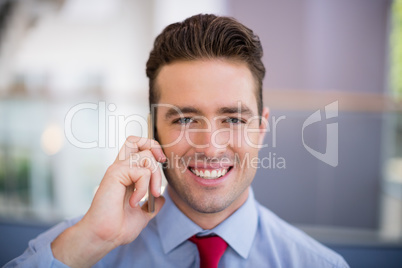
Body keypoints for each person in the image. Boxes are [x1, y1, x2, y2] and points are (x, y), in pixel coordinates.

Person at [6, 14, 349, 267]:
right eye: (185, 119)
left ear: (262, 128)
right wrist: (92, 241)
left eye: (233, 119)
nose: (211, 147)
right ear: (153, 131)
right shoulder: (79, 249)